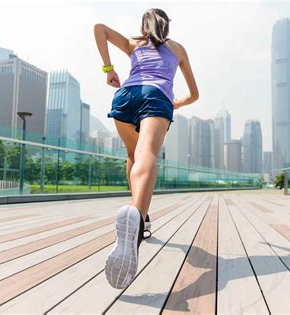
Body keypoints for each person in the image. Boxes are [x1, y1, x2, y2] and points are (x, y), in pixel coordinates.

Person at [94, 8, 199, 289]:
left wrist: (108, 69)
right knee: (147, 154)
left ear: (144, 25)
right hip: (156, 97)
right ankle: (137, 220)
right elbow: (195, 93)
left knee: (132, 155)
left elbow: (99, 28)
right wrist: (177, 102)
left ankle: (139, 212)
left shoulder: (134, 44)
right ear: (167, 26)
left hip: (126, 96)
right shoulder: (177, 49)